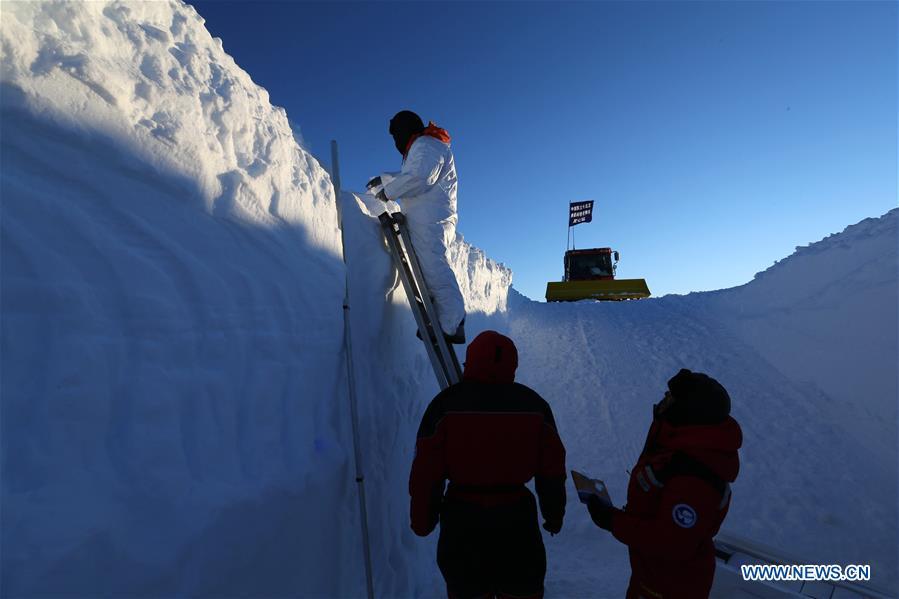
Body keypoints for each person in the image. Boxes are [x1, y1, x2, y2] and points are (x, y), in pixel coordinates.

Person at [408, 331, 567, 599]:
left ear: (470, 360)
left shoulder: (444, 405)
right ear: (512, 365)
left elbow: (426, 472)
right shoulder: (534, 405)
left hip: (462, 523)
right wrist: (553, 515)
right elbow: (552, 470)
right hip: (517, 524)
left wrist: (423, 521)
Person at [584, 369, 743, 599]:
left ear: (689, 411)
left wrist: (612, 520)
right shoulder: (680, 445)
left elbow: (672, 542)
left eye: (671, 397)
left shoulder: (694, 478)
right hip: (652, 576)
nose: (663, 400)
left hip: (670, 585)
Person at [368, 110, 466, 343]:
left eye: (396, 135)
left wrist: (387, 192)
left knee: (434, 266)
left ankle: (452, 322)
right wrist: (385, 180)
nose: (395, 142)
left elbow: (421, 178)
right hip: (427, 216)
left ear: (406, 130)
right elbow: (412, 173)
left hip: (432, 217)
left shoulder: (426, 144)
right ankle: (446, 318)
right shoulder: (423, 147)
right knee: (429, 266)